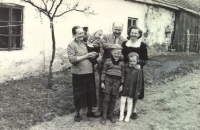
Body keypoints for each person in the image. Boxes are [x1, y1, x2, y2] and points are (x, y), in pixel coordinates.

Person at [67, 26, 99, 122]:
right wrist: (86, 56)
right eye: (79, 33)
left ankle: (90, 112)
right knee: (78, 94)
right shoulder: (71, 45)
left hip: (89, 71)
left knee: (90, 93)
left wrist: (95, 54)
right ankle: (77, 114)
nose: (82, 35)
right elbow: (72, 59)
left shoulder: (87, 43)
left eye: (82, 33)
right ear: (74, 34)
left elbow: (94, 51)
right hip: (78, 74)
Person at [98, 22, 126, 115]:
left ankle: (111, 111)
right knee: (103, 89)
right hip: (105, 66)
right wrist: (115, 46)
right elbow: (104, 45)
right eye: (115, 29)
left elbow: (124, 53)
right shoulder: (106, 36)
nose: (117, 31)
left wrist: (119, 55)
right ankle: (101, 110)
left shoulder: (124, 40)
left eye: (119, 30)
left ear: (122, 30)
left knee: (114, 90)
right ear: (112, 28)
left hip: (117, 68)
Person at [122, 25, 148, 119]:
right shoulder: (125, 44)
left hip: (137, 71)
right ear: (129, 33)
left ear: (139, 34)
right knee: (126, 89)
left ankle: (134, 110)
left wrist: (139, 65)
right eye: (132, 32)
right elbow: (122, 57)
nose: (133, 34)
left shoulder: (142, 45)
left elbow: (145, 59)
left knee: (135, 89)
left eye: (135, 33)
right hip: (126, 70)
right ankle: (125, 109)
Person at [100, 44, 124, 125]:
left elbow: (123, 75)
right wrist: (102, 82)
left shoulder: (122, 63)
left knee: (113, 99)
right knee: (106, 98)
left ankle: (111, 115)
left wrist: (121, 84)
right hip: (108, 80)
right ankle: (104, 116)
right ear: (111, 53)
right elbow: (103, 72)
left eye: (118, 53)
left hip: (117, 82)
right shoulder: (107, 61)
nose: (117, 54)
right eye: (115, 53)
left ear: (121, 54)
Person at [119, 52, 142, 122]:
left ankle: (128, 116)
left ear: (137, 61)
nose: (132, 62)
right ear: (128, 61)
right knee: (122, 101)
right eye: (130, 61)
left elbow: (140, 81)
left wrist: (138, 90)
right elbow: (122, 77)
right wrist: (121, 85)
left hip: (132, 89)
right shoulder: (126, 68)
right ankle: (121, 115)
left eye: (134, 61)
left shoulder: (138, 70)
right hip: (125, 87)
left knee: (130, 102)